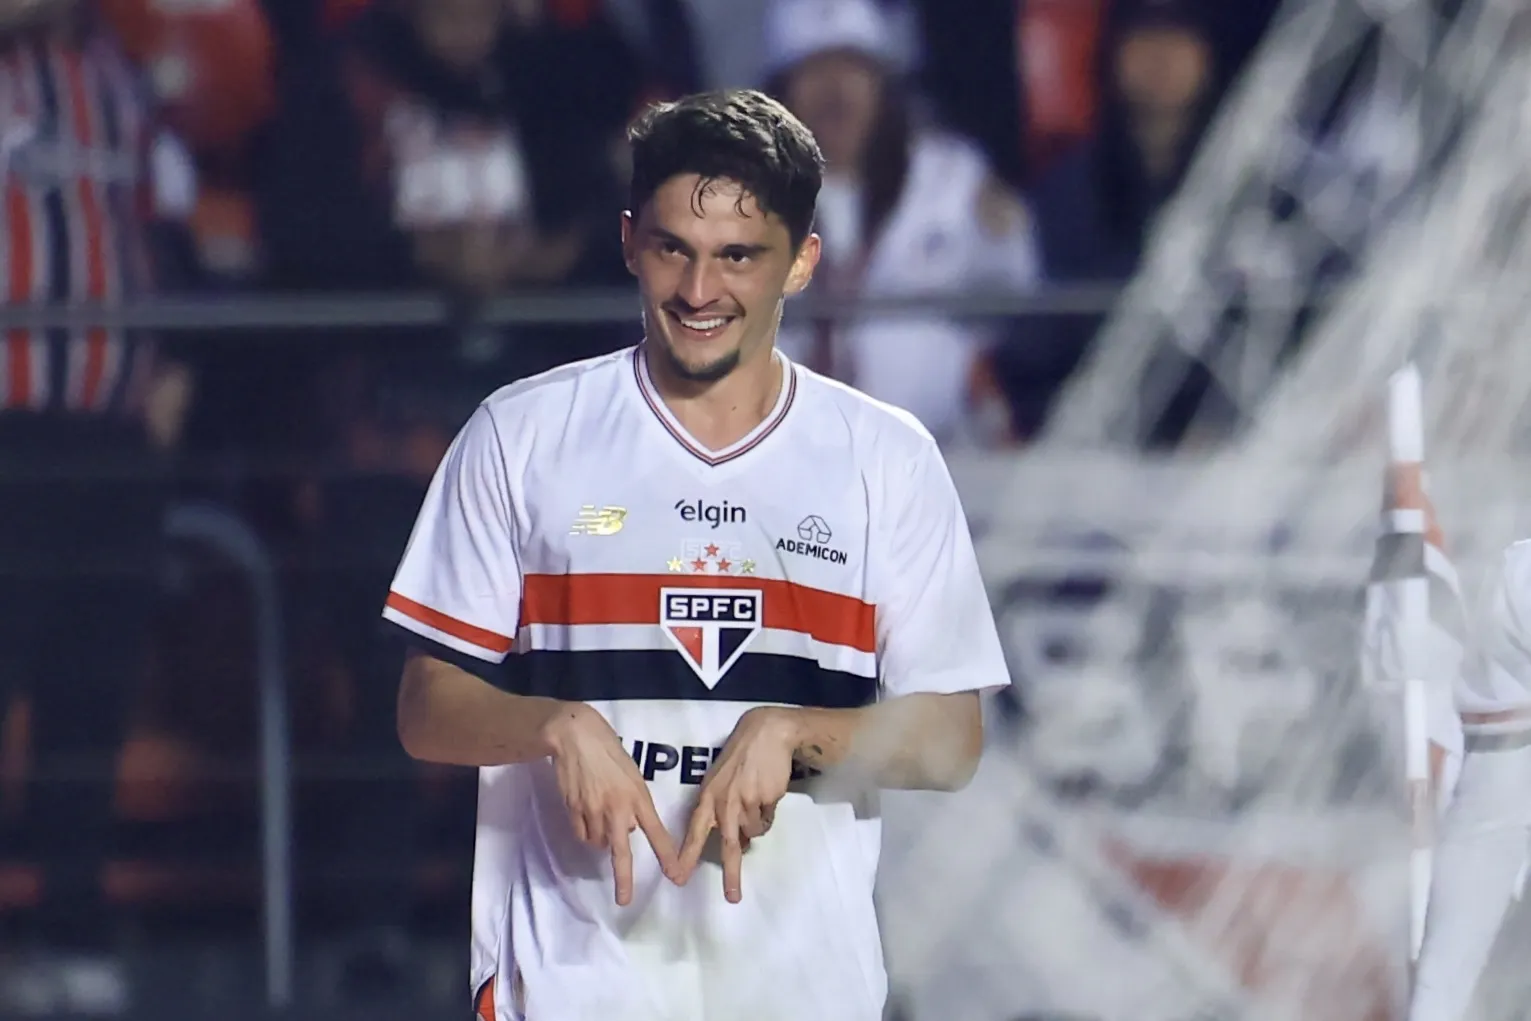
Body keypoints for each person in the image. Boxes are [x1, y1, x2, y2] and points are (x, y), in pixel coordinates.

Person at [382, 88, 1008, 1021]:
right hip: (566, 982)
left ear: (802, 262)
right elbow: (426, 707)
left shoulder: (885, 457)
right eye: (674, 247)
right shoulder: (520, 435)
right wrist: (553, 724)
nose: (699, 290)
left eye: (738, 256)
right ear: (631, 240)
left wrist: (797, 736)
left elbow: (951, 738)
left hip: (803, 985)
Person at [0, 0, 193, 1013]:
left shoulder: (116, 70)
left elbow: (161, 227)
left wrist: (175, 364)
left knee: (90, 695)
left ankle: (70, 929)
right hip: (8, 429)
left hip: (111, 434)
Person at [1409, 539, 1531, 1021]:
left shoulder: (1514, 562)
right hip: (1502, 769)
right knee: (1445, 981)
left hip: (1495, 773)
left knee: (1445, 979)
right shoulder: (1520, 565)